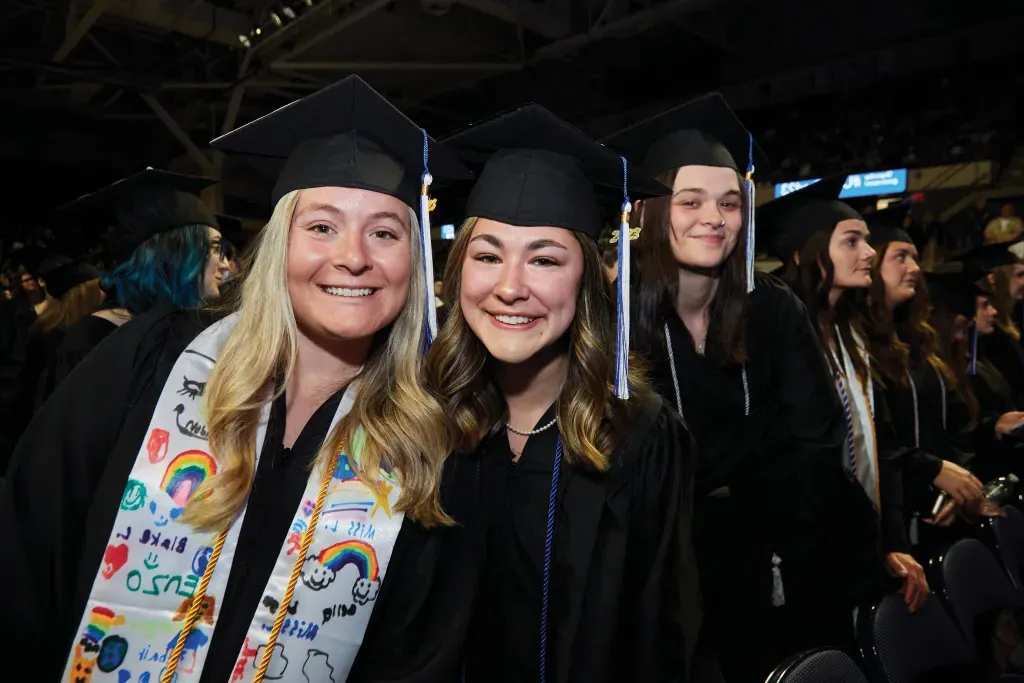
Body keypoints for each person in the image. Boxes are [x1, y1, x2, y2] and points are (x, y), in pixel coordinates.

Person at [0, 75, 479, 683]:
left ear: (413, 260)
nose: (353, 256)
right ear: (281, 244)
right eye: (322, 226)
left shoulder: (428, 442)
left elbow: (418, 655)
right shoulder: (151, 358)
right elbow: (29, 543)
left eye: (385, 232)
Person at [604, 93, 885, 682]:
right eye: (691, 201)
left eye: (730, 202)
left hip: (774, 557)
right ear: (654, 209)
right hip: (657, 572)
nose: (715, 217)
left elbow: (816, 439)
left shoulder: (773, 309)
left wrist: (742, 502)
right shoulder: (614, 316)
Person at [430, 104, 700, 682]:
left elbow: (665, 633)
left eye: (545, 259)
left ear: (588, 279)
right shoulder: (423, 419)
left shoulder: (641, 434)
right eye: (487, 255)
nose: (509, 287)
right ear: (458, 272)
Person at [763, 175, 931, 617]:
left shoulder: (849, 333)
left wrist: (890, 540)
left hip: (861, 543)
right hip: (808, 552)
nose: (870, 253)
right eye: (852, 241)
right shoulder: (770, 338)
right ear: (806, 252)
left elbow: (880, 445)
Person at [859, 208, 992, 556]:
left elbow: (956, 426)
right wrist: (929, 473)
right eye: (901, 257)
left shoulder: (918, 345)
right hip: (889, 527)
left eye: (915, 258)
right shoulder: (856, 345)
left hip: (941, 515)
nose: (915, 269)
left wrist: (958, 485)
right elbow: (873, 441)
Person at [47, 169, 231, 388]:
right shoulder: (95, 340)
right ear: (174, 255)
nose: (225, 264)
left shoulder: (196, 330)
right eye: (214, 248)